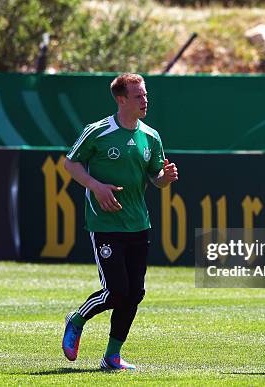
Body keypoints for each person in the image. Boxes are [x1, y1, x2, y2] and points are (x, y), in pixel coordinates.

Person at [62, 73, 178, 370]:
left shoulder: (151, 136)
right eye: (138, 96)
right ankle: (77, 318)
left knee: (134, 293)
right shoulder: (97, 131)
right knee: (116, 291)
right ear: (121, 99)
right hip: (105, 224)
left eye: (145, 94)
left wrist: (165, 178)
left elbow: (156, 177)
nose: (145, 100)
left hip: (138, 223)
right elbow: (70, 163)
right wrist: (96, 186)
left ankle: (112, 356)